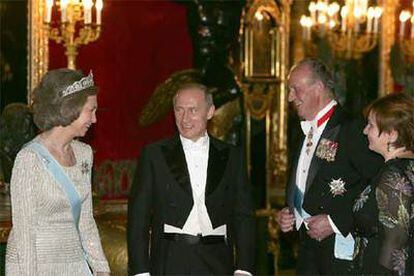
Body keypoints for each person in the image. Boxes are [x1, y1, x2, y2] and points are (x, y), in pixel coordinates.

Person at [127, 83, 255, 275]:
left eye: (193, 110)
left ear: (210, 112)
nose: (185, 118)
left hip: (218, 261)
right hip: (170, 260)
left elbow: (243, 215)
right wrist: (140, 271)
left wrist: (244, 268)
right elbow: (138, 217)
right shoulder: (154, 155)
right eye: (179, 110)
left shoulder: (232, 156)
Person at [276, 58, 382, 274]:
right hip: (307, 249)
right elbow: (309, 182)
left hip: (341, 253)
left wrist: (336, 223)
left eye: (296, 90)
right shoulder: (305, 129)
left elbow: (381, 186)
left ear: (318, 88)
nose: (290, 97)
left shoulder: (352, 129)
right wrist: (290, 212)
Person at [5, 69, 110, 275]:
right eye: (91, 110)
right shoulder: (29, 160)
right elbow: (24, 234)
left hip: (73, 263)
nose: (95, 119)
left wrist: (101, 268)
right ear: (71, 109)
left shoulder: (84, 154)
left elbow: (86, 221)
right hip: (33, 265)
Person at [352, 93, 414, 275]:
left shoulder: (394, 175)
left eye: (371, 125)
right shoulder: (404, 168)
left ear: (391, 134)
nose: (365, 131)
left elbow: (395, 243)